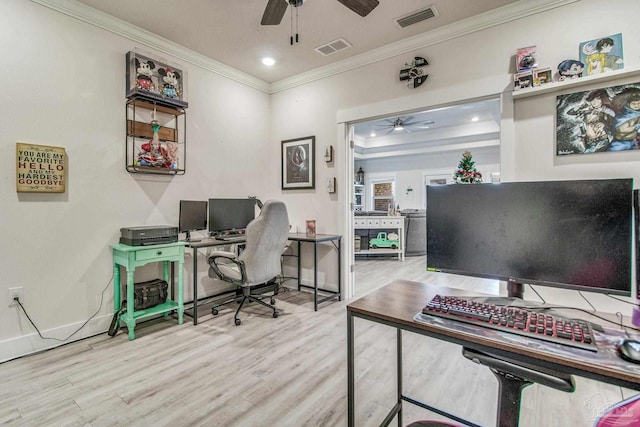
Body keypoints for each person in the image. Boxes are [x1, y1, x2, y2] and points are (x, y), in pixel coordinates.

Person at [609, 87, 640, 151]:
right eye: (634, 104)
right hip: (621, 143)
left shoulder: (638, 113)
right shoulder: (623, 115)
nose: (637, 105)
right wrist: (637, 127)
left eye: (639, 103)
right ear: (628, 104)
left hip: (635, 142)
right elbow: (622, 129)